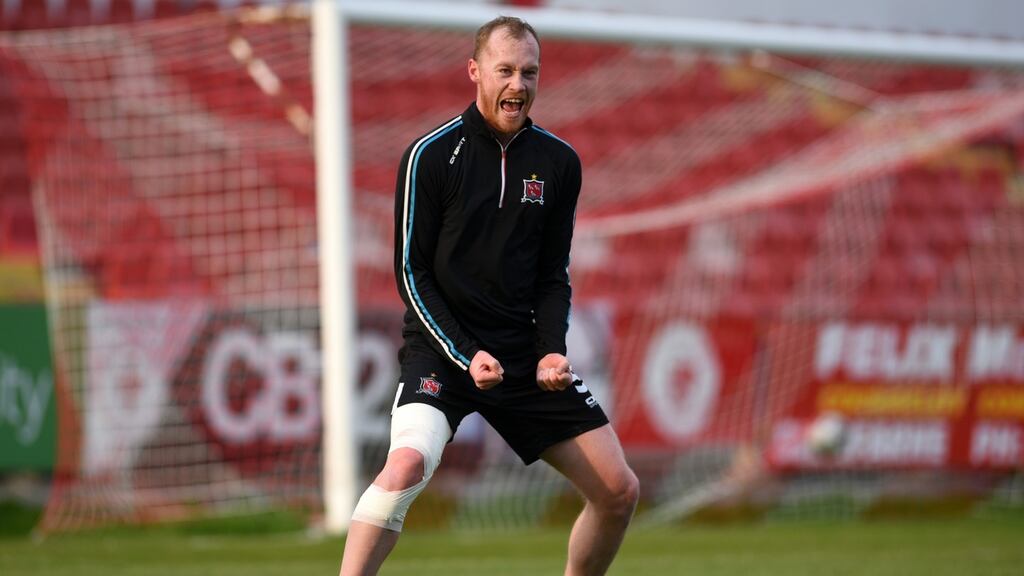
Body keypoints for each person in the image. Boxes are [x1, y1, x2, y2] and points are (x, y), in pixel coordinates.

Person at [339, 16, 639, 576]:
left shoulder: (559, 163)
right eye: (505, 71)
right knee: (403, 467)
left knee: (619, 490)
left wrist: (551, 349)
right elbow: (410, 274)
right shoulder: (428, 156)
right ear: (475, 72)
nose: (518, 85)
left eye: (529, 72)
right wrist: (463, 354)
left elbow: (553, 274)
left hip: (521, 356)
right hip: (443, 352)